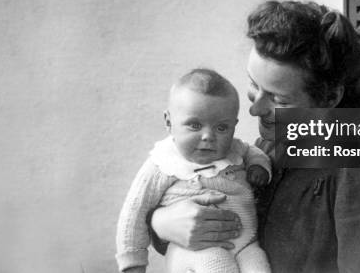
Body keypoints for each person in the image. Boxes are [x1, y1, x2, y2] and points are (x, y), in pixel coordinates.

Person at [149, 0, 360, 273]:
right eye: (253, 84)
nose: (255, 108)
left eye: (278, 99)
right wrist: (161, 222)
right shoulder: (269, 144)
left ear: (329, 98)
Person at [116, 68, 273, 273]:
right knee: (218, 266)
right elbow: (134, 212)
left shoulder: (236, 149)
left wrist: (258, 167)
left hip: (246, 244)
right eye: (195, 125)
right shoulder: (163, 163)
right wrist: (133, 263)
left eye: (221, 128)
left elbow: (256, 153)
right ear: (169, 122)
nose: (208, 136)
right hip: (195, 249)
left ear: (234, 126)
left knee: (259, 267)